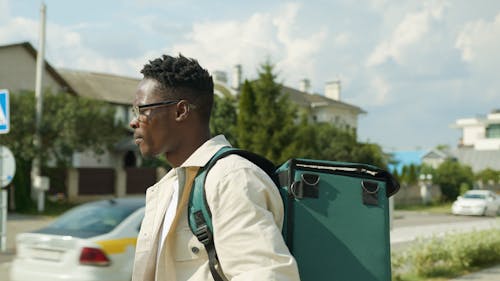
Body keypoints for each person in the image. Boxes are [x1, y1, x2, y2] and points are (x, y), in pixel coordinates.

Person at [129, 54, 300, 281]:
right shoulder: (168, 187)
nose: (134, 121)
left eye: (142, 110)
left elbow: (267, 275)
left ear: (181, 111)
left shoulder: (232, 179)